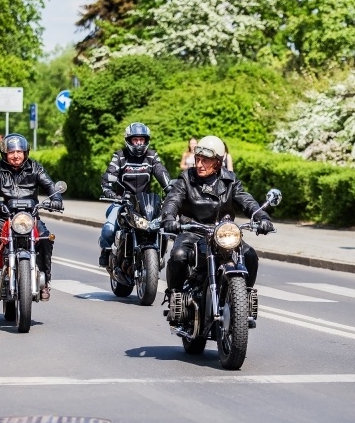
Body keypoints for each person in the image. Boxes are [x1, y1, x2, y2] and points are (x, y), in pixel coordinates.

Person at [160, 135, 274, 318]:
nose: (199, 164)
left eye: (206, 160)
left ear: (218, 162)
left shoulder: (230, 181)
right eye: (198, 159)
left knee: (250, 255)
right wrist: (169, 218)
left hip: (223, 232)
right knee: (178, 255)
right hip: (193, 230)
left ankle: (245, 296)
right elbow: (173, 199)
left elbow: (246, 200)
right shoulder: (186, 179)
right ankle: (176, 297)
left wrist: (262, 216)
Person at [0, 133, 63, 300]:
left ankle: (45, 282)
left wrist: (56, 199)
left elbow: (50, 186)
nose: (16, 155)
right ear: (5, 154)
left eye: (19, 151)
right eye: (12, 152)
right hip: (3, 217)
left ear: (25, 152)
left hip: (29, 218)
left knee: (45, 238)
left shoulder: (35, 167)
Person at [98, 122, 171, 267]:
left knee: (164, 228)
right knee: (109, 228)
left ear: (146, 140)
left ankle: (158, 256)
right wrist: (110, 192)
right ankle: (105, 253)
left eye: (141, 140)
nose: (139, 143)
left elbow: (161, 171)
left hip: (145, 203)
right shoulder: (120, 156)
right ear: (129, 140)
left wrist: (170, 188)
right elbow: (108, 177)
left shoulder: (152, 156)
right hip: (122, 202)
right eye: (135, 140)